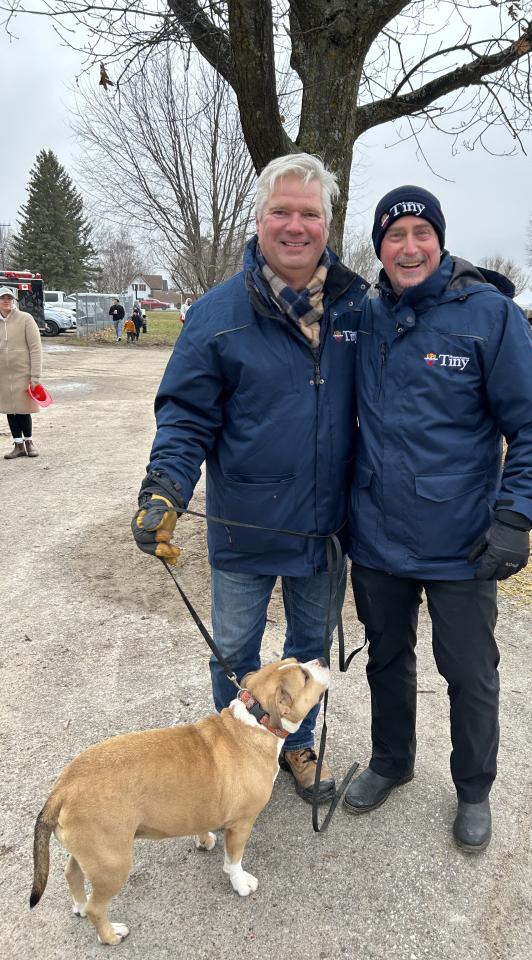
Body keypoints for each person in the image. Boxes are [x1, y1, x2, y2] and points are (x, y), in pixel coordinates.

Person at [130, 154, 367, 803]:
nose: (296, 225)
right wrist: (165, 488)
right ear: (259, 219)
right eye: (282, 211)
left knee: (310, 649)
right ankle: (236, 754)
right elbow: (186, 414)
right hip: (244, 525)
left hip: (327, 529)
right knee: (235, 651)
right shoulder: (217, 313)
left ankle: (295, 744)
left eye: (309, 213)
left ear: (328, 223)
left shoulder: (358, 312)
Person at [342, 186, 532, 852]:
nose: (409, 246)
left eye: (421, 233)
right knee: (386, 656)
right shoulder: (364, 315)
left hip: (462, 539)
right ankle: (391, 760)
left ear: (440, 239)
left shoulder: (487, 315)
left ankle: (473, 789)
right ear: (379, 246)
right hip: (376, 534)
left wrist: (516, 517)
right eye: (394, 235)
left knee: (469, 671)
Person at [0, 286, 43, 459]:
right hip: (3, 375)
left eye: (9, 298)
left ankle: (29, 442)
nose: (6, 301)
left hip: (23, 373)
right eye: (3, 298)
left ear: (14, 300)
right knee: (10, 409)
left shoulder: (26, 319)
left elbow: (35, 348)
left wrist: (35, 376)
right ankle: (18, 445)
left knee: (24, 409)